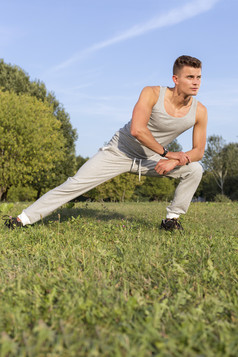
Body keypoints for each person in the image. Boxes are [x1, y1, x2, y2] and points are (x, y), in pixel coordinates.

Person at [4, 55, 207, 231]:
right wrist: (167, 154)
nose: (196, 82)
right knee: (75, 184)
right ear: (176, 79)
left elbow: (199, 151)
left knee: (194, 169)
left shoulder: (199, 111)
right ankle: (22, 219)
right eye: (190, 77)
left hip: (150, 159)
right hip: (119, 151)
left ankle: (171, 220)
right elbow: (138, 130)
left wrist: (175, 161)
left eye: (198, 77)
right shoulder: (152, 93)